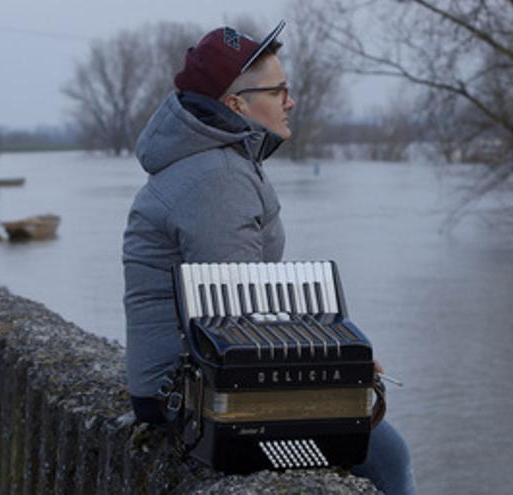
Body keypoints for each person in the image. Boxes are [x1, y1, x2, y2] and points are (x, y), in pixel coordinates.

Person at [122, 22, 416, 494]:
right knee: (386, 455)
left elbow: (245, 299)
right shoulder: (217, 177)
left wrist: (333, 351)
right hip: (189, 395)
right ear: (236, 105)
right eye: (279, 90)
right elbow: (233, 321)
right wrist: (337, 365)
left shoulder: (217, 164)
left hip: (179, 380)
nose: (291, 100)